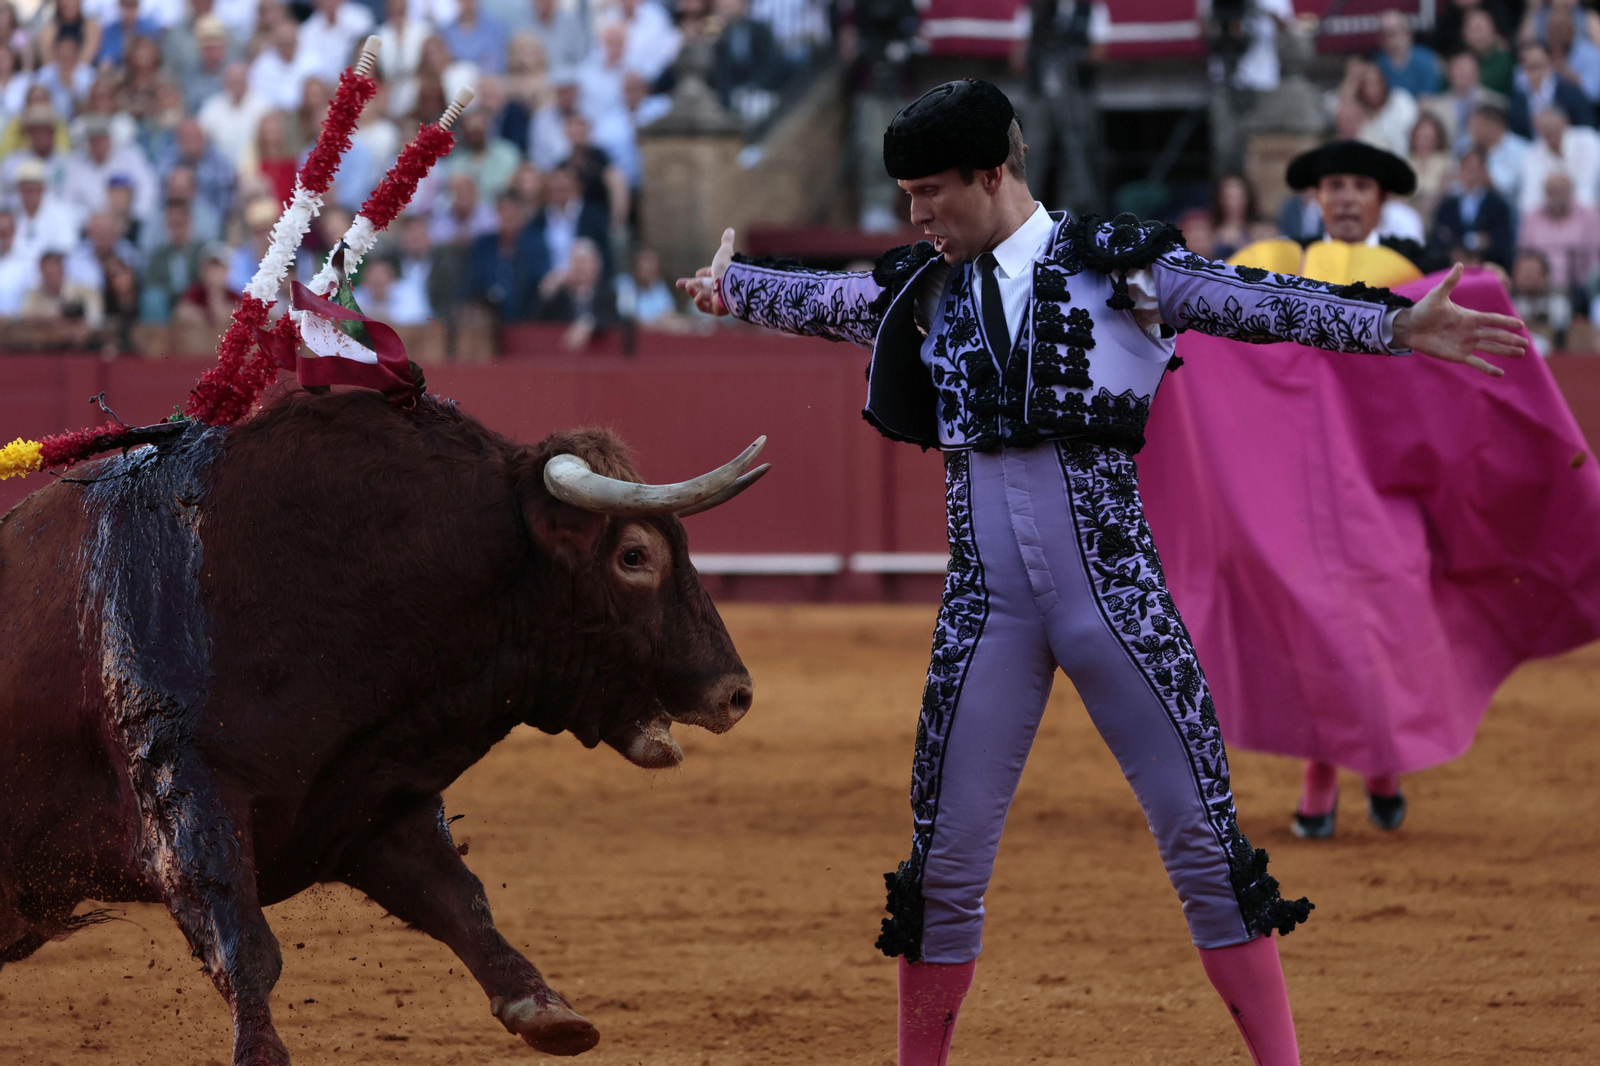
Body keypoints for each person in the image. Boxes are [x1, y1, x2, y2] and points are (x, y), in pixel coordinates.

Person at [677, 78, 1524, 1066]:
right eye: (905, 195)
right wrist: (731, 287)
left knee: (1208, 852)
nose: (913, 215)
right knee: (941, 868)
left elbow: (1249, 301)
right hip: (983, 611)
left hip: (1114, 600)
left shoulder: (1115, 266)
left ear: (991, 173)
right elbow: (828, 299)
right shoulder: (927, 285)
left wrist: (1391, 324)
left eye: (928, 192)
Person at [1231, 140, 1446, 286]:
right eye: (1335, 186)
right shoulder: (1286, 261)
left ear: (1382, 198)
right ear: (1317, 196)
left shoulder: (1420, 264)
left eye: (1362, 187)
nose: (1347, 199)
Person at [1016, 0, 1109, 217]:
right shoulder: (1035, 9)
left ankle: (1071, 209)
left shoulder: (1091, 10)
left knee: (1076, 148)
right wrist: (1039, 56)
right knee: (1033, 149)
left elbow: (1099, 53)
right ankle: (1025, 206)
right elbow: (1018, 58)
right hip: (1041, 91)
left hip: (1075, 89)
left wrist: (1072, 57)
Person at [1432, 146, 1515, 269]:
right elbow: (1439, 235)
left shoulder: (1498, 205)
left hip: (1486, 267)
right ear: (1460, 171)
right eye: (1467, 169)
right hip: (1452, 267)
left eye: (1476, 169)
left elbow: (1503, 240)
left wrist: (1485, 245)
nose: (1471, 175)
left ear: (1484, 171)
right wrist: (1456, 250)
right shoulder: (1447, 205)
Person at [1517, 170, 1600, 292]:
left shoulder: (1589, 217)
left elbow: (1594, 254)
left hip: (1579, 285)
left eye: (1561, 190)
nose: (1556, 195)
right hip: (1540, 286)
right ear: (1545, 193)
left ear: (1571, 191)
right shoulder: (1532, 219)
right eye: (1552, 191)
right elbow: (1524, 254)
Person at [535, 235, 617, 348]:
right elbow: (537, 322)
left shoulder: (608, 294)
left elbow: (615, 319)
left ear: (597, 266)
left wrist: (588, 323)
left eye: (584, 261)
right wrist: (547, 291)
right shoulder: (560, 297)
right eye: (575, 261)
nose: (579, 267)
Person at [1519, 104, 1600, 216]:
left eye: (1554, 128)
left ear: (1566, 124)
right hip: (1551, 220)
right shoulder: (1532, 154)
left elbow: (1587, 192)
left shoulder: (1587, 141)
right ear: (1537, 130)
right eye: (1544, 130)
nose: (1550, 133)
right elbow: (1529, 203)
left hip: (1589, 216)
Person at [1509, 39, 1594, 137]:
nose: (1533, 74)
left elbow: (1588, 130)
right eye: (1526, 69)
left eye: (1536, 66)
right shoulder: (1517, 101)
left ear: (1551, 64)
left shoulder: (1572, 94)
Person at [1509, 248, 1571, 354]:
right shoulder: (1508, 302)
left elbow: (1558, 334)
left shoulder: (1558, 302)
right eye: (1523, 271)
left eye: (1533, 271)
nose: (1528, 276)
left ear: (1545, 275)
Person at [1374, 9, 1442, 99]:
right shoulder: (1378, 63)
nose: (1388, 39)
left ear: (1407, 33)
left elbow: (1429, 95)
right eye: (1383, 34)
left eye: (1392, 33)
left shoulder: (1425, 59)